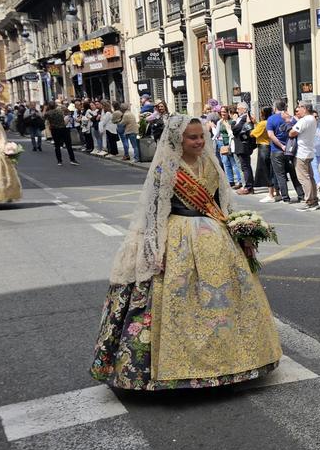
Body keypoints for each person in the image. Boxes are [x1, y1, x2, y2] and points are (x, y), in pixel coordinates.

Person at [90, 115, 282, 390]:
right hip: (177, 237)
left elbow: (222, 204)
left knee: (223, 301)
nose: (199, 141)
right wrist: (155, 248)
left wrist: (242, 232)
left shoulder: (211, 163)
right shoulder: (166, 169)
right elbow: (154, 213)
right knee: (178, 300)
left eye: (201, 136)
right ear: (177, 140)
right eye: (192, 137)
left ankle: (234, 363)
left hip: (216, 239)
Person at [290, 102, 320, 211]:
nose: (298, 110)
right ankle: (314, 200)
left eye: (299, 108)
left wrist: (291, 128)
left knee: (304, 178)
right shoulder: (312, 119)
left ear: (305, 109)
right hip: (310, 151)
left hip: (302, 153)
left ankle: (309, 201)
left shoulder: (304, 120)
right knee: (310, 177)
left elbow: (292, 132)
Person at [267, 100, 303, 203]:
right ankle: (301, 194)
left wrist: (281, 145)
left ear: (275, 108)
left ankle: (285, 197)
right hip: (291, 150)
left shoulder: (271, 119)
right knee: (293, 174)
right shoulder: (291, 119)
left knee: (280, 175)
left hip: (276, 151)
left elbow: (271, 135)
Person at [251, 106, 278, 203]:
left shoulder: (263, 123)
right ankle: (276, 192)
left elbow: (253, 133)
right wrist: (255, 123)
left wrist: (250, 124)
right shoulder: (270, 122)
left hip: (263, 147)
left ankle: (270, 194)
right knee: (272, 170)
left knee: (266, 171)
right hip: (271, 146)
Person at [214, 107, 243, 189]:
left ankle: (240, 181)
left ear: (228, 113)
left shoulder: (231, 122)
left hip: (230, 143)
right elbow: (217, 133)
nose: (222, 113)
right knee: (226, 163)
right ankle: (230, 181)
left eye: (224, 112)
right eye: (221, 112)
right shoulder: (220, 122)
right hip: (222, 144)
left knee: (234, 163)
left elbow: (231, 132)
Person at [44, 101, 78, 166]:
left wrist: (45, 109)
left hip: (54, 130)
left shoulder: (48, 113)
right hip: (63, 128)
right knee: (68, 145)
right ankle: (72, 159)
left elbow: (43, 117)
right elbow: (68, 111)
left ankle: (59, 161)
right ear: (55, 105)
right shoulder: (59, 111)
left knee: (57, 146)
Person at [232, 103, 255, 194]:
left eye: (238, 109)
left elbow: (235, 130)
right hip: (241, 145)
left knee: (245, 166)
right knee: (245, 166)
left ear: (244, 109)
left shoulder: (244, 117)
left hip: (243, 146)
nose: (237, 111)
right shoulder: (243, 118)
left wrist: (233, 121)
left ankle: (248, 187)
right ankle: (249, 186)